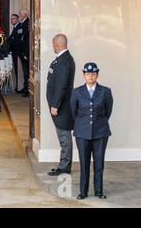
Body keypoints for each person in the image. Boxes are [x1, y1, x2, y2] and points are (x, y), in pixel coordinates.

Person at [70, 63, 113, 200]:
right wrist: (82, 125)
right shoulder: (77, 92)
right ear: (84, 75)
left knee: (99, 163)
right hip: (82, 133)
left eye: (93, 74)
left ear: (97, 75)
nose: (90, 76)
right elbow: (73, 112)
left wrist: (99, 123)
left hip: (100, 132)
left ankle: (99, 191)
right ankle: (83, 191)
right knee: (84, 163)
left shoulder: (105, 91)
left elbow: (108, 111)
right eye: (88, 74)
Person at [46, 34, 76, 176]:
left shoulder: (64, 61)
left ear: (57, 45)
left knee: (64, 137)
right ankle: (63, 164)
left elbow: (62, 86)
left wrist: (55, 105)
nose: (53, 47)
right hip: (59, 105)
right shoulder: (62, 59)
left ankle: (65, 166)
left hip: (62, 106)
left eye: (53, 44)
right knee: (63, 136)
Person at [17, 9, 30, 97]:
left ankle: (27, 90)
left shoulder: (27, 22)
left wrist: (21, 31)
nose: (19, 16)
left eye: (20, 14)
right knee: (24, 72)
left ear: (25, 15)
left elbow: (27, 35)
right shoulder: (22, 23)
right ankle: (25, 88)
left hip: (26, 51)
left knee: (27, 72)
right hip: (22, 51)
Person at [8, 14, 20, 92]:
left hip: (17, 52)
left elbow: (14, 40)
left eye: (14, 19)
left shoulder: (18, 27)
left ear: (18, 19)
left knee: (17, 70)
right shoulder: (15, 27)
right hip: (13, 52)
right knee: (15, 70)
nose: (12, 20)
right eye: (11, 19)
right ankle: (17, 86)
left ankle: (18, 86)